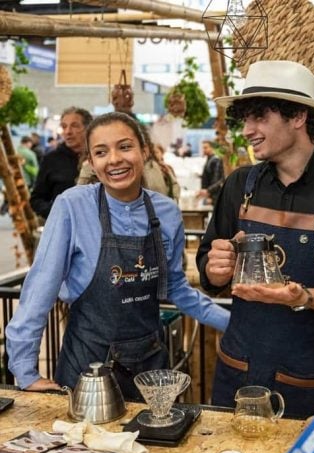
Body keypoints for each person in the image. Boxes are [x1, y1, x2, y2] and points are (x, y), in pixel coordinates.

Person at [196, 60, 314, 417]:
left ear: (298, 116)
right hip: (238, 370)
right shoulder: (240, 185)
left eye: (260, 118)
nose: (249, 130)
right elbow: (210, 272)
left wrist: (305, 297)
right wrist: (217, 269)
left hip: (312, 377)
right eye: (246, 119)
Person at [6, 112, 230, 400]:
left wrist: (233, 324)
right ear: (91, 162)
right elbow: (40, 289)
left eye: (125, 147)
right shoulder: (73, 206)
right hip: (88, 369)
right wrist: (25, 371)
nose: (114, 160)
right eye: (101, 152)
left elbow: (176, 288)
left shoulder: (166, 212)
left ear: (144, 151)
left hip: (150, 371)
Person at [30, 107, 93, 220]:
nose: (68, 131)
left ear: (88, 128)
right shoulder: (51, 159)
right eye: (64, 126)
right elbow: (36, 199)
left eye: (74, 126)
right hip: (64, 228)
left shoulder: (99, 157)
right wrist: (56, 212)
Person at [196, 140, 224, 205]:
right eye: (203, 148)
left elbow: (217, 179)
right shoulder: (209, 159)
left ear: (212, 148)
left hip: (214, 195)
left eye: (206, 148)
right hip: (210, 193)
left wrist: (208, 191)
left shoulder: (215, 160)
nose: (204, 150)